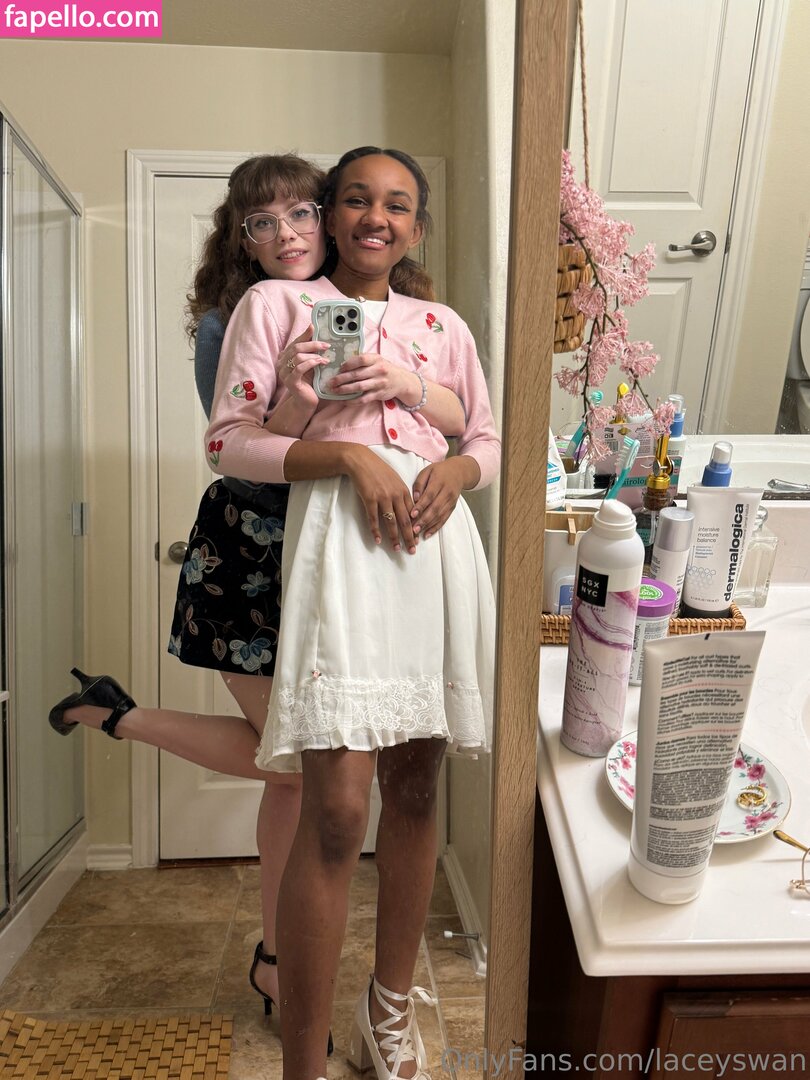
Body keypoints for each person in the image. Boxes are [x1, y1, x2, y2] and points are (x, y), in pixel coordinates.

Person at [47, 152, 466, 1047]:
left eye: (300, 212)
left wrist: (417, 414)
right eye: (261, 222)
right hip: (252, 548)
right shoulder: (239, 320)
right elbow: (242, 446)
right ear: (240, 239)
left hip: (348, 554)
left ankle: (277, 955)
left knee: (302, 784)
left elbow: (460, 419)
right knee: (302, 769)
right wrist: (309, 402)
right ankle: (122, 718)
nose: (286, 233)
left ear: (327, 218)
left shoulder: (387, 312)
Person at [205, 146, 500, 1080]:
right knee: (335, 810)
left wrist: (460, 468)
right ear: (330, 215)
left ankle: (388, 1015)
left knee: (415, 792)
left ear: (416, 227)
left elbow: (486, 436)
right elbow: (229, 444)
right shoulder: (275, 305)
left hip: (434, 548)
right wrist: (346, 453)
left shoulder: (441, 326)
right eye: (359, 200)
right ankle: (302, 1059)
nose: (378, 217)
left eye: (398, 205)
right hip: (338, 548)